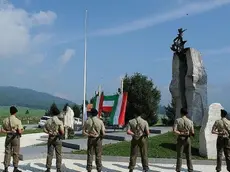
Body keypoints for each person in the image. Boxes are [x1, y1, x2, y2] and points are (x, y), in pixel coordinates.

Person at [0, 106, 23, 172]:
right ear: (15, 112)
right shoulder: (18, 120)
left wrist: (9, 131)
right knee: (16, 153)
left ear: (10, 112)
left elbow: (1, 130)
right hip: (16, 137)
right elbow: (20, 131)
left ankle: (6, 168)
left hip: (8, 137)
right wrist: (22, 129)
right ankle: (15, 168)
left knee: (7, 152)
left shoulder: (5, 120)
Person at [82, 108, 105, 172]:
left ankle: (89, 169)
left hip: (90, 138)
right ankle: (99, 168)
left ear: (91, 113)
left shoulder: (87, 121)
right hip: (98, 139)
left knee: (90, 154)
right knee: (98, 155)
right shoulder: (100, 121)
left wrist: (89, 134)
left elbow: (83, 132)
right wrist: (100, 136)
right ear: (97, 114)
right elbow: (103, 132)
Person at [173, 108, 194, 172]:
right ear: (186, 113)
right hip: (188, 139)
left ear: (181, 112)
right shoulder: (190, 121)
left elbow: (174, 131)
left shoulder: (177, 120)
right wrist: (188, 133)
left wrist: (181, 132)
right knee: (189, 155)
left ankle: (178, 170)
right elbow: (192, 132)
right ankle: (190, 169)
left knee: (179, 155)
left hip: (180, 138)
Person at [43, 107, 64, 172]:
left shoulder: (48, 121)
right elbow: (62, 132)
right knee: (58, 154)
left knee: (49, 154)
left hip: (50, 138)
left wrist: (49, 132)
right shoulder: (59, 121)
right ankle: (58, 169)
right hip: (57, 138)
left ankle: (48, 168)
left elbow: (44, 129)